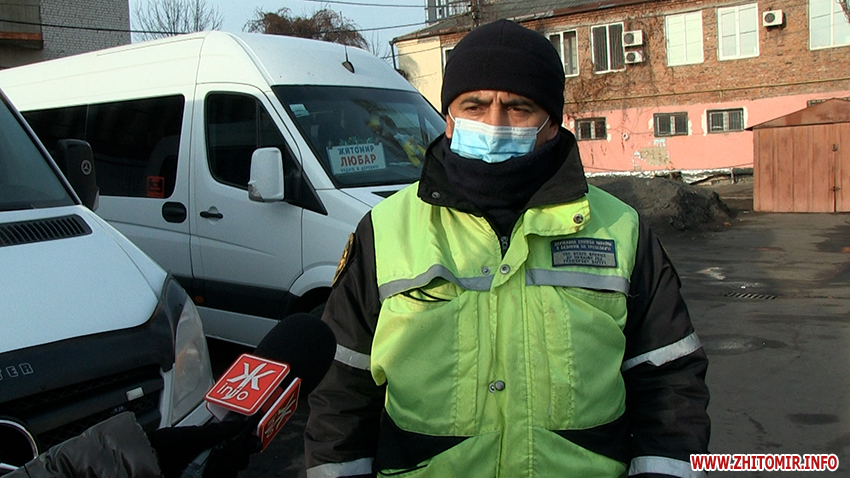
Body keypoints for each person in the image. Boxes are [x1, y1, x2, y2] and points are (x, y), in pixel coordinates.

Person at [304, 19, 710, 478]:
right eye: (474, 106)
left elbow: (670, 383)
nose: (494, 124)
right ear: (448, 118)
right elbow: (341, 391)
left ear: (552, 123)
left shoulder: (621, 229)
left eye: (518, 108)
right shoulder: (385, 230)